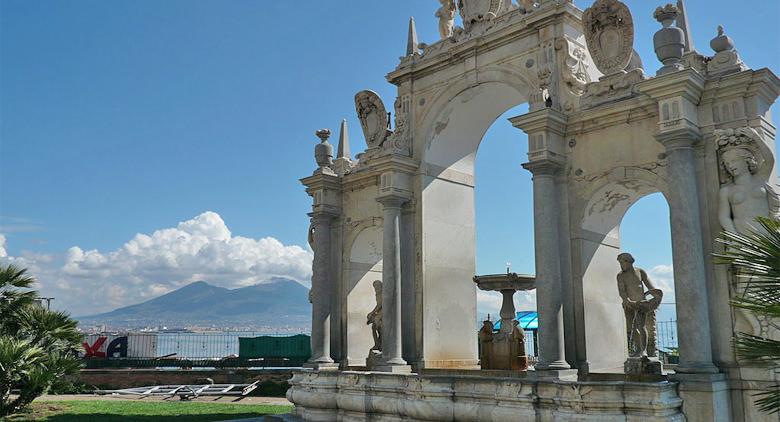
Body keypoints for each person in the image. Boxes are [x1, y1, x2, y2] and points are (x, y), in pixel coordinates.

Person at [616, 253, 662, 357]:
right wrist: (626, 299)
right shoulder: (620, 276)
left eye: (622, 263)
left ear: (628, 262)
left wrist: (655, 296)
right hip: (628, 305)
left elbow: (649, 286)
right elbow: (622, 291)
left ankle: (643, 351)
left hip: (641, 304)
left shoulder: (640, 272)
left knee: (641, 326)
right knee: (631, 328)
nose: (621, 265)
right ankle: (638, 349)